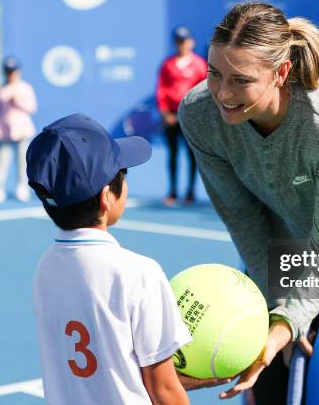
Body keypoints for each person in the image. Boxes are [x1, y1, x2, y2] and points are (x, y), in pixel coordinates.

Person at [178, 3, 319, 404]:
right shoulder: (199, 114)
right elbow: (242, 217)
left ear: (281, 73)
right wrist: (281, 306)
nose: (223, 93)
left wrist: (286, 323)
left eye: (241, 79)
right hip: (283, 253)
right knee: (267, 392)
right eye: (214, 73)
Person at [27, 113, 228, 404]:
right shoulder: (138, 272)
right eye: (124, 173)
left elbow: (96, 373)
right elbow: (163, 391)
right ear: (106, 197)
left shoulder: (45, 267)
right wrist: (173, 384)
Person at [155, 26, 207, 206]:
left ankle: (190, 192)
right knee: (173, 153)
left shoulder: (199, 64)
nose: (181, 45)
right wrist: (165, 112)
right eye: (178, 41)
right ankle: (173, 191)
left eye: (184, 41)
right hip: (171, 117)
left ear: (191, 42)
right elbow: (161, 90)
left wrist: (195, 113)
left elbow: (205, 90)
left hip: (190, 116)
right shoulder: (167, 64)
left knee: (192, 154)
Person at [0, 57, 37, 204]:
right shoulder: (0, 90)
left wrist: (18, 102)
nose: (10, 74)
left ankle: (22, 187)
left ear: (18, 71)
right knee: (1, 161)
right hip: (3, 133)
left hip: (22, 131)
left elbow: (32, 107)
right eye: (8, 71)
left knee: (22, 162)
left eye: (13, 71)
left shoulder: (26, 88)